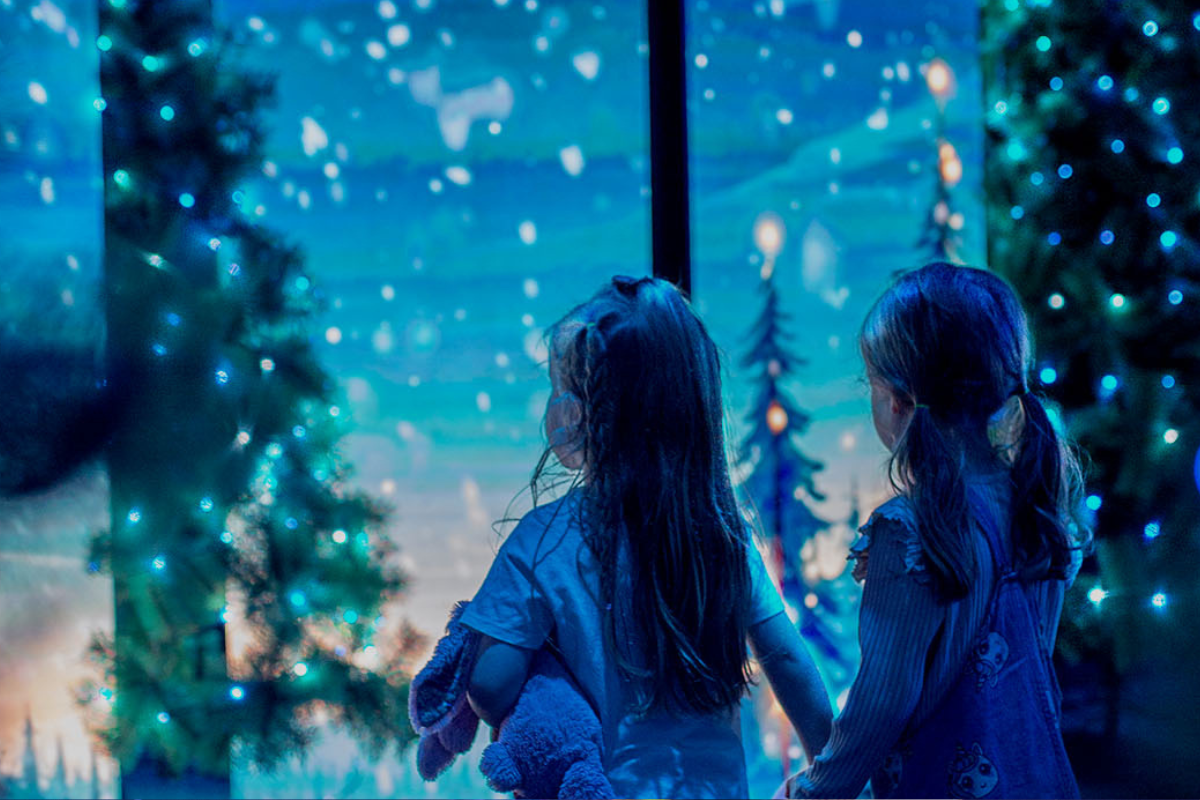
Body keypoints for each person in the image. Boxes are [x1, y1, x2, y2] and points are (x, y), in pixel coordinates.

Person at [460, 275, 832, 799]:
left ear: (583, 414)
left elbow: (489, 686)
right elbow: (788, 661)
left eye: (559, 388)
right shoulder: (721, 535)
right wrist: (834, 778)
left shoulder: (541, 541)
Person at [785, 262, 1089, 799]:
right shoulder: (1036, 505)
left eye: (871, 382)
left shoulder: (907, 532)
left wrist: (811, 791)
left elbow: (881, 706)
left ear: (898, 401)